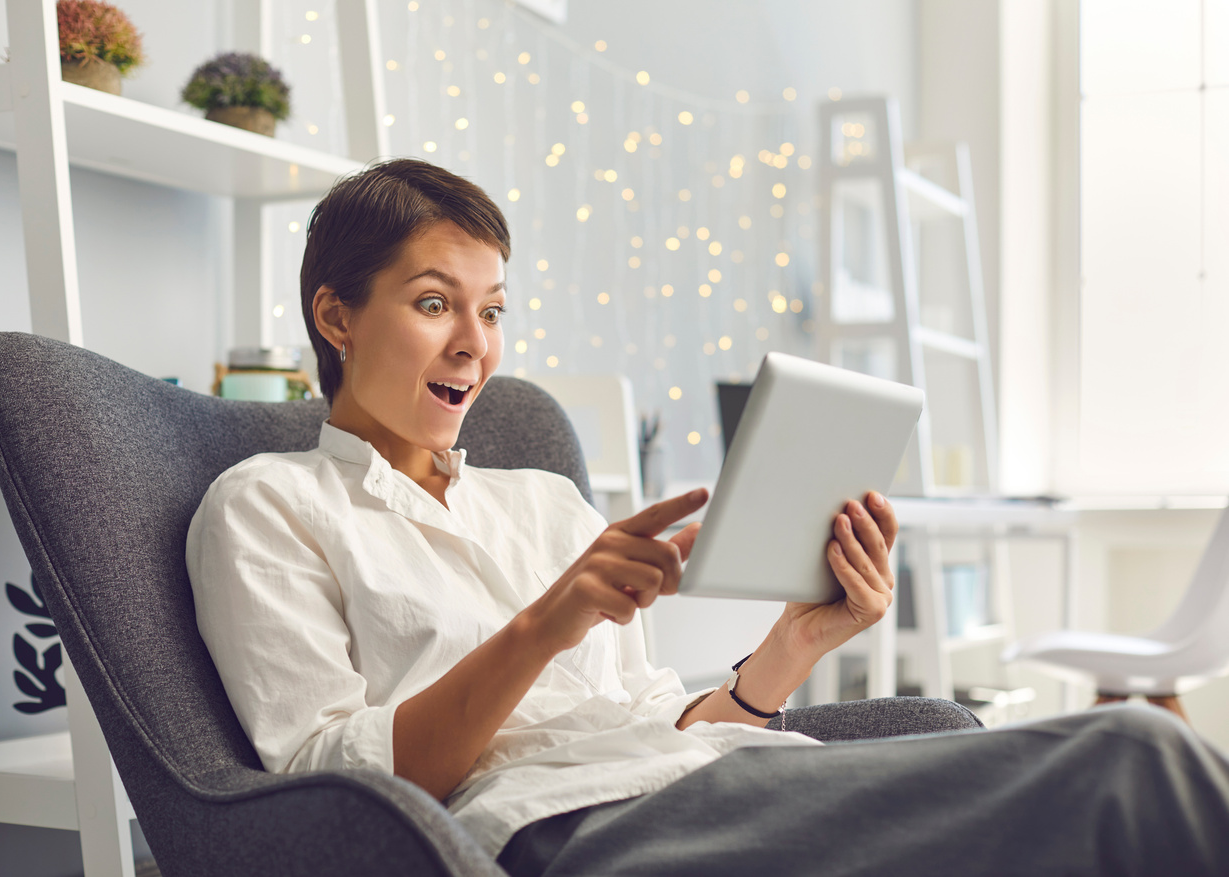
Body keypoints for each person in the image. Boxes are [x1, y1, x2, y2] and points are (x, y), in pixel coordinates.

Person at [186, 158, 1229, 876]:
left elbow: (654, 725)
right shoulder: (269, 507)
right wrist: (542, 627)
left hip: (703, 783)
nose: (474, 343)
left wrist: (794, 644)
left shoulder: (545, 503)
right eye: (432, 303)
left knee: (1112, 778)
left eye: (492, 308)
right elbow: (332, 791)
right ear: (335, 314)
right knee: (1131, 757)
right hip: (564, 834)